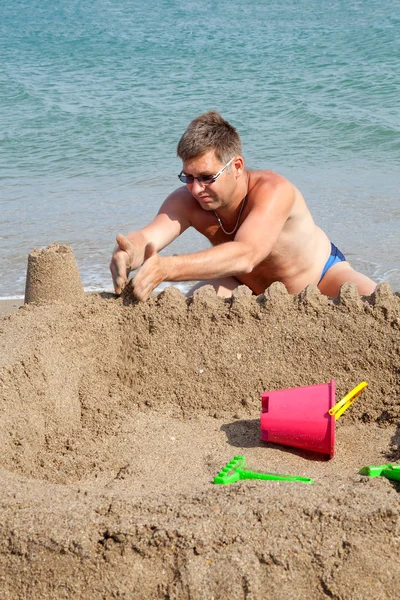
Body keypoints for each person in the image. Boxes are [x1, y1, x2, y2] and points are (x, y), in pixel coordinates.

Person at [110, 111, 376, 301]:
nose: (195, 188)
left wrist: (169, 268)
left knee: (377, 305)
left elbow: (247, 255)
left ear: (236, 166)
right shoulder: (187, 200)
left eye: (206, 177)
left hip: (321, 277)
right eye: (188, 177)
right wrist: (128, 253)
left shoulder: (273, 190)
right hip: (245, 287)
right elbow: (147, 238)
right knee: (197, 305)